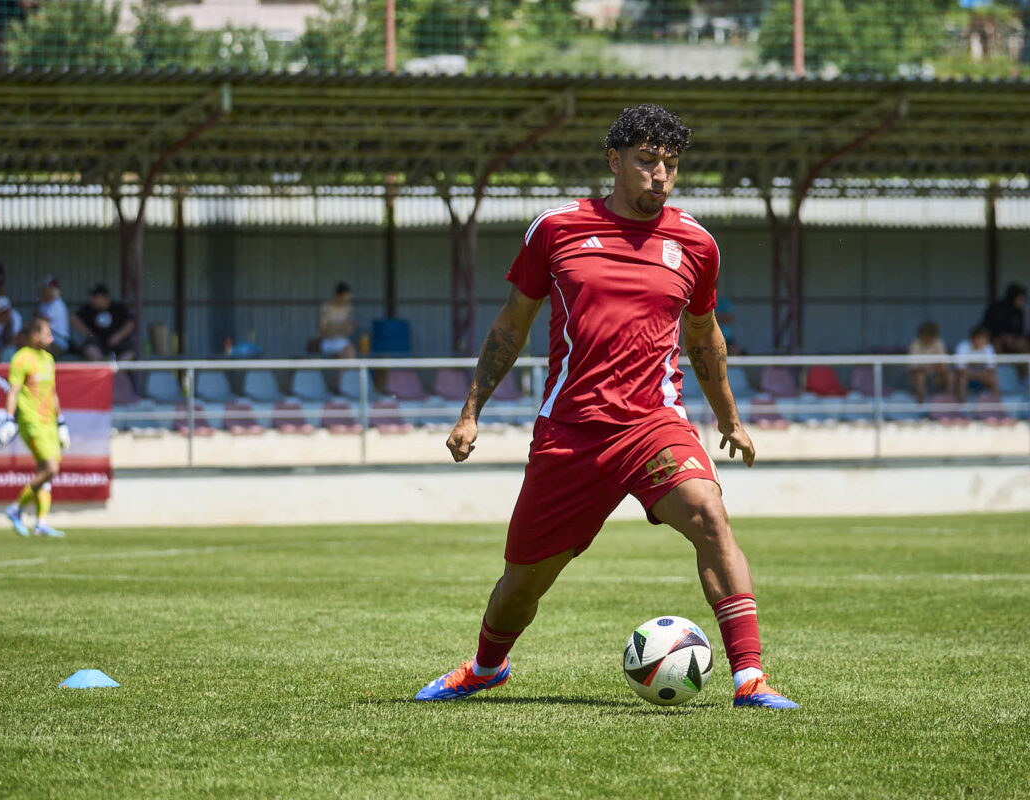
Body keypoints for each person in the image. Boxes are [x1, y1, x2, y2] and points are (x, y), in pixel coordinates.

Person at [414, 104, 797, 709]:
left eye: (671, 164)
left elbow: (704, 336)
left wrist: (730, 420)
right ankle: (486, 667)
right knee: (522, 584)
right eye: (646, 161)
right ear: (614, 161)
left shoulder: (697, 244)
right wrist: (471, 412)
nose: (660, 175)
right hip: (571, 434)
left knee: (709, 515)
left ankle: (750, 678)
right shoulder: (556, 229)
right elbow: (512, 324)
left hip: (653, 425)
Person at [0, 316, 69, 538]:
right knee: (51, 469)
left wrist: (61, 422)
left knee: (44, 472)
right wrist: (9, 419)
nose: (52, 338)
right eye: (48, 333)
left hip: (49, 423)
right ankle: (16, 508)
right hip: (31, 421)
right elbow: (13, 391)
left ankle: (41, 523)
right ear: (35, 336)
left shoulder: (48, 359)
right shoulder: (21, 358)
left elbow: (53, 392)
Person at [72, 283, 135, 360]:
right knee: (90, 350)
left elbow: (130, 323)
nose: (92, 299)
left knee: (130, 353)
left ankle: (118, 368)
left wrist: (118, 337)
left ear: (105, 297)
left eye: (95, 297)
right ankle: (102, 367)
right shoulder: (89, 309)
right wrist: (88, 333)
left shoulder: (118, 308)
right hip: (98, 344)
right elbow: (73, 318)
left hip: (118, 344)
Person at [908, 321, 951, 404]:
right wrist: (928, 368)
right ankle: (921, 404)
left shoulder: (938, 342)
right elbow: (913, 367)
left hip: (936, 373)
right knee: (920, 377)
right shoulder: (915, 344)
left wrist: (933, 368)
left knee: (949, 375)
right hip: (920, 374)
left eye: (930, 336)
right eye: (925, 335)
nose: (927, 339)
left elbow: (943, 363)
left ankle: (949, 403)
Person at [954, 325, 999, 403]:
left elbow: (991, 370)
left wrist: (973, 374)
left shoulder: (988, 347)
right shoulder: (963, 346)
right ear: (972, 338)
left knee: (993, 379)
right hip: (966, 378)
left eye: (985, 339)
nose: (983, 341)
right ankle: (962, 406)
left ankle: (997, 406)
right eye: (980, 338)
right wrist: (979, 374)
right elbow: (961, 370)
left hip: (978, 377)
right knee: (962, 379)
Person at [982, 283, 1030, 355]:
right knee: (997, 344)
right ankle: (996, 362)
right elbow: (988, 326)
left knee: (1024, 344)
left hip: (1014, 340)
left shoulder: (1019, 311)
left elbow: (1020, 331)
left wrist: (1016, 338)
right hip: (996, 338)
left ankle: (1027, 362)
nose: (1022, 302)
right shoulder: (997, 308)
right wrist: (1004, 337)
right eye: (1020, 299)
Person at [318, 282, 357, 358]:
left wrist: (349, 327)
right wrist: (341, 327)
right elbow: (323, 329)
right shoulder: (326, 307)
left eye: (348, 300)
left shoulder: (348, 308)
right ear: (337, 296)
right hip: (328, 341)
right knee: (347, 351)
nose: (346, 302)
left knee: (350, 350)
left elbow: (349, 330)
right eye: (344, 299)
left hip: (343, 341)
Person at [35, 275, 70, 356]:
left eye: (45, 289)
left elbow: (41, 322)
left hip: (58, 343)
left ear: (52, 290)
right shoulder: (44, 304)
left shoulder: (57, 304)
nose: (42, 291)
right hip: (48, 341)